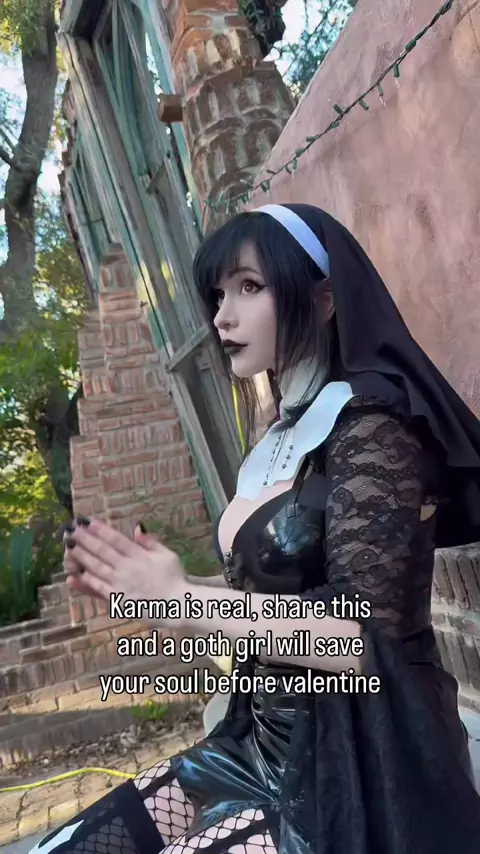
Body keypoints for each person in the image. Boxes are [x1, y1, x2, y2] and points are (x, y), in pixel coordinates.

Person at [31, 203, 480, 854]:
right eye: (218, 295)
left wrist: (184, 601)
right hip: (258, 744)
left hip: (359, 763)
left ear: (323, 299)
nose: (222, 316)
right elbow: (268, 596)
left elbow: (357, 640)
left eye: (248, 287)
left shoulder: (375, 427)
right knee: (70, 847)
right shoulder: (274, 437)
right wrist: (164, 590)